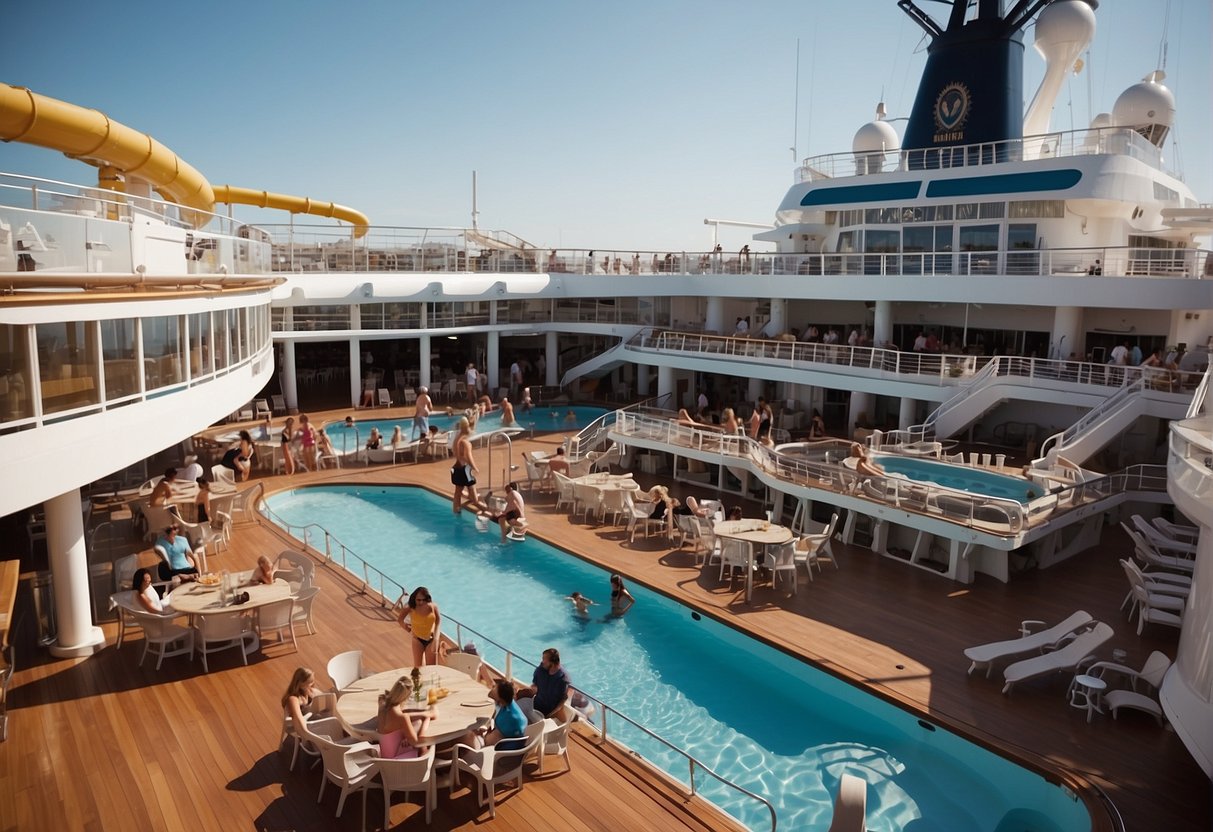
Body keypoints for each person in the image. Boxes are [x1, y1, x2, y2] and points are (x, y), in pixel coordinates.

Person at [377, 677, 435, 759]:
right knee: (421, 723)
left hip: (384, 757)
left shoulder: (382, 701)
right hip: (398, 758)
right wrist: (427, 718)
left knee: (418, 722)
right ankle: (426, 753)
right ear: (406, 696)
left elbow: (393, 721)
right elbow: (416, 743)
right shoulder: (403, 718)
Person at [465, 678, 526, 751]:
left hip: (499, 752)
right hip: (515, 743)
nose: (493, 687)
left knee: (467, 735)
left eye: (495, 688)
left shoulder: (505, 718)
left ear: (501, 699)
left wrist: (481, 735)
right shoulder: (512, 707)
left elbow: (488, 742)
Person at [518, 648, 570, 722]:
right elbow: (534, 684)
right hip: (535, 705)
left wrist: (551, 714)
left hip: (547, 713)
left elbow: (563, 699)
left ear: (551, 663)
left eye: (544, 659)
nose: (542, 662)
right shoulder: (542, 668)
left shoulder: (562, 678)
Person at [396, 586, 441, 667]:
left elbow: (438, 621)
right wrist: (406, 628)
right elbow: (400, 620)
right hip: (417, 640)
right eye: (418, 600)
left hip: (431, 640)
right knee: (418, 668)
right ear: (414, 599)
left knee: (432, 668)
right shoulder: (409, 608)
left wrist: (436, 639)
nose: (421, 602)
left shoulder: (433, 607)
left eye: (423, 600)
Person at [451, 417, 486, 515]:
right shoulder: (465, 442)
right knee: (474, 496)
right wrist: (475, 468)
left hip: (456, 468)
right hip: (465, 470)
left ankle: (456, 512)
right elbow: (468, 457)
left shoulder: (457, 438)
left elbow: (458, 455)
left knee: (457, 493)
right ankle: (485, 510)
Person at [282, 667, 331, 736]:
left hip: (311, 722)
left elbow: (326, 699)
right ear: (301, 684)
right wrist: (307, 734)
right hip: (302, 728)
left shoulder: (310, 692)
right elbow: (298, 720)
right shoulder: (293, 699)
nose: (312, 684)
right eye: (310, 682)